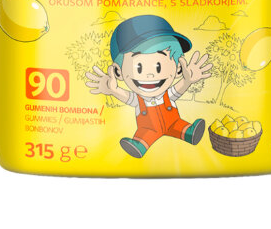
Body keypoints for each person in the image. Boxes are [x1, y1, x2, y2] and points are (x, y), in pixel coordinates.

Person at [85, 14, 212, 158]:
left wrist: (187, 81)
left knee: (179, 125)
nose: (150, 75)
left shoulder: (167, 94)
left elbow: (178, 89)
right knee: (145, 135)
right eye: (138, 67)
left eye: (158, 66)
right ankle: (140, 145)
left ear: (178, 69)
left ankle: (189, 132)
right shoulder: (138, 99)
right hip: (148, 129)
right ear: (118, 72)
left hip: (173, 122)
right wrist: (113, 90)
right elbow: (127, 97)